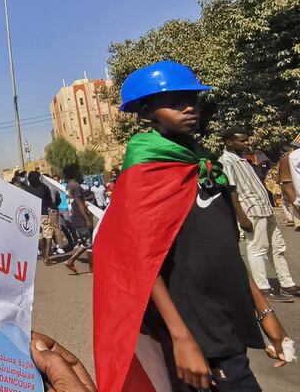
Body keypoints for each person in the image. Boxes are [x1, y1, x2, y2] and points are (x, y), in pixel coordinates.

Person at [94, 61, 290, 392]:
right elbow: (138, 263)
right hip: (192, 325)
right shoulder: (143, 174)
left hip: (226, 318)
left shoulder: (204, 164)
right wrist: (180, 336)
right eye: (175, 101)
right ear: (146, 112)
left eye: (193, 99)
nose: (190, 107)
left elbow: (228, 250)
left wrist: (265, 312)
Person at [219, 128, 298, 300]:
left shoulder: (242, 159)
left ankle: (287, 284)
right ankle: (263, 289)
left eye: (247, 140)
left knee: (277, 247)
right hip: (251, 211)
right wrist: (241, 217)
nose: (246, 143)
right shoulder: (227, 161)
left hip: (265, 209)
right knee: (257, 249)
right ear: (229, 142)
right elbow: (231, 191)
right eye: (242, 141)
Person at [62, 164, 94, 274]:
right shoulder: (75, 186)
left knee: (86, 242)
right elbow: (79, 204)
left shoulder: (68, 185)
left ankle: (70, 261)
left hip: (74, 217)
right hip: (80, 218)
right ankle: (91, 269)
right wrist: (87, 219)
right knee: (89, 243)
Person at [26, 170, 60, 265]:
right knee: (48, 234)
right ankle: (47, 258)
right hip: (44, 213)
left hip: (33, 214)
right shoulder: (44, 187)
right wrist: (54, 207)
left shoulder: (27, 189)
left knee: (39, 235)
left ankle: (43, 254)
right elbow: (50, 200)